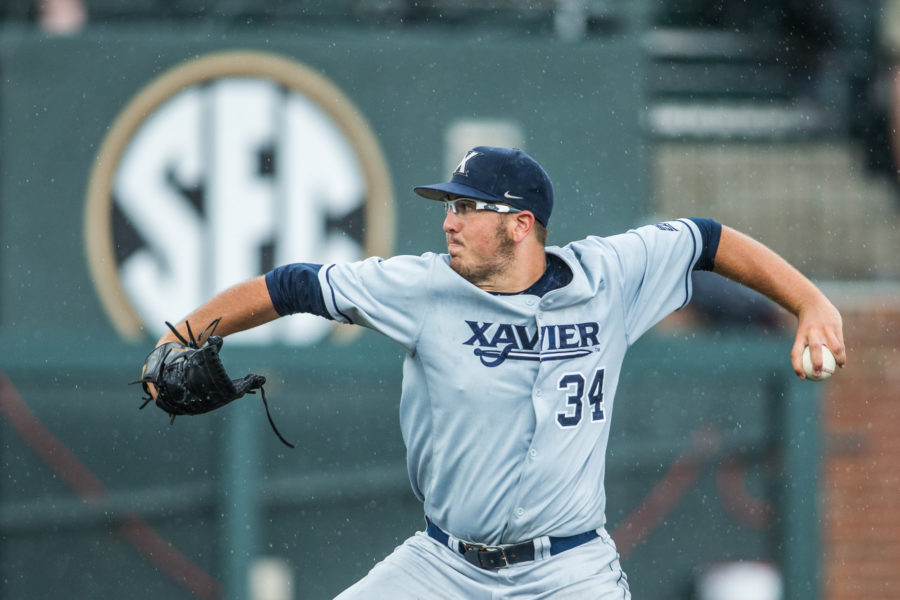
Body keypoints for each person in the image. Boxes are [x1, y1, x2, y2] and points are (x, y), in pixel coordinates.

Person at [147, 146, 845, 598]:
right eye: (449, 207)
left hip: (569, 569)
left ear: (519, 224)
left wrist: (810, 302)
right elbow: (293, 285)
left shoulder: (611, 276)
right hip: (443, 566)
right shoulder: (421, 288)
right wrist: (185, 333)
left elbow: (708, 240)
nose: (448, 223)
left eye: (465, 208)